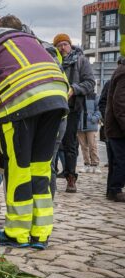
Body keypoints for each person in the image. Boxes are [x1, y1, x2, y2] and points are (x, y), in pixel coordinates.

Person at [0, 14, 70, 249]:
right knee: (40, 169)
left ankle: (17, 233)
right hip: (56, 98)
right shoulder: (27, 38)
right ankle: (40, 233)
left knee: (18, 169)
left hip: (19, 103)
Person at [0, 14, 67, 198]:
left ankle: (22, 213)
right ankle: (43, 211)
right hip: (56, 108)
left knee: (20, 165)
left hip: (25, 110)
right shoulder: (45, 47)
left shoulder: (8, 47)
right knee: (44, 164)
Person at [54, 33, 95, 193]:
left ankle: (71, 177)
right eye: (59, 45)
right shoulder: (53, 61)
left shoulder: (81, 60)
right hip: (54, 107)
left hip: (72, 108)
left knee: (70, 143)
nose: (62, 48)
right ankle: (50, 175)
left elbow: (90, 82)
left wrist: (74, 89)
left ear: (70, 45)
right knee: (52, 143)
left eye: (65, 44)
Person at [105, 56, 125, 202]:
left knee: (116, 160)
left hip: (115, 126)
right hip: (118, 128)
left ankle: (112, 190)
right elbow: (120, 104)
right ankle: (115, 190)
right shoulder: (123, 73)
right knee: (120, 160)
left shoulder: (120, 71)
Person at [77, 93, 102, 173]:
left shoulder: (94, 96)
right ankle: (86, 165)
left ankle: (95, 165)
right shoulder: (78, 95)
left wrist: (94, 118)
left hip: (91, 124)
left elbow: (99, 109)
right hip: (80, 125)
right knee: (83, 147)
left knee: (93, 145)